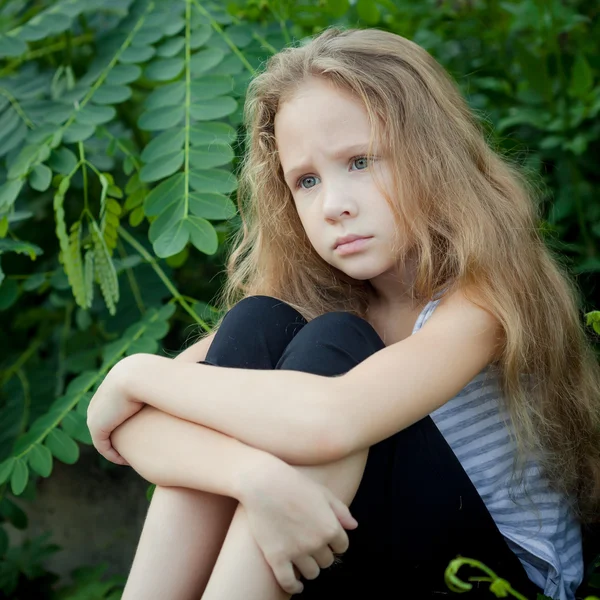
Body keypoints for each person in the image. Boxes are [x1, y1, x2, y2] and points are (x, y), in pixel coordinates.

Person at [86, 26, 600, 600]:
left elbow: (331, 421)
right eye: (306, 180)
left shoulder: (483, 298)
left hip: (494, 578)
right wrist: (253, 480)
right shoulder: (313, 303)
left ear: (430, 155)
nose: (334, 205)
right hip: (372, 548)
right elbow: (135, 429)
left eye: (360, 162)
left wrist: (134, 372)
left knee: (333, 344)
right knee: (257, 321)